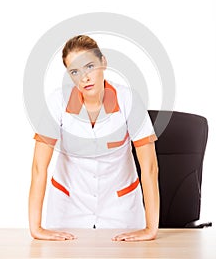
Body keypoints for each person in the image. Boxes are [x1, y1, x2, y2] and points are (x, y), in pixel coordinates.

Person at [29, 35, 159, 241]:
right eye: (75, 71)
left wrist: (151, 229)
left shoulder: (130, 100)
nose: (84, 78)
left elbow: (150, 167)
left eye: (89, 66)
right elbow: (38, 167)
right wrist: (35, 228)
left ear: (103, 62)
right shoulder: (57, 102)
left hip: (121, 212)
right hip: (68, 210)